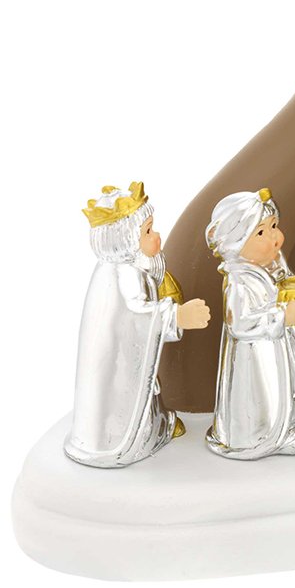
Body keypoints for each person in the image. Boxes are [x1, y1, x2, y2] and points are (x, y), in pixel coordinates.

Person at [67, 183, 210, 467]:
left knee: (146, 390)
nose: (156, 236)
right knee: (129, 399)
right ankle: (130, 440)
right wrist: (178, 316)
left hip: (128, 364)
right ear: (126, 240)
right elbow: (136, 318)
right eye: (147, 231)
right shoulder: (123, 274)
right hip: (117, 371)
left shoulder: (130, 269)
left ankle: (157, 425)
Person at [204, 188, 295, 459]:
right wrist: (281, 317)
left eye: (274, 226)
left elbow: (288, 295)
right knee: (263, 394)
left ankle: (290, 421)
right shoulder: (239, 281)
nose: (274, 238)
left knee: (284, 386)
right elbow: (239, 324)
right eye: (260, 233)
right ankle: (262, 437)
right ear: (236, 243)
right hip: (255, 356)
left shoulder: (272, 263)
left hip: (280, 346)